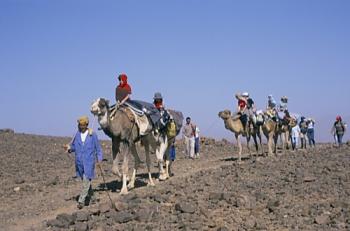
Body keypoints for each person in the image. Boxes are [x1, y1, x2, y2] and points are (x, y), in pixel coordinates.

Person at [64, 116, 103, 209]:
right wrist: (69, 149)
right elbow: (74, 147)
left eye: (83, 125)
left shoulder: (92, 135)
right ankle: (93, 198)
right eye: (80, 125)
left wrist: (99, 160)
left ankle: (81, 201)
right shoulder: (76, 135)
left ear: (86, 125)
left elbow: (98, 149)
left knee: (86, 181)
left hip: (89, 162)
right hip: (79, 163)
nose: (81, 126)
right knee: (86, 182)